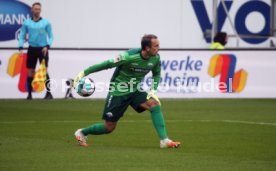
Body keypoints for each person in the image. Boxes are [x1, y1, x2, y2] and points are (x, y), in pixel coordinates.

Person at [73, 34, 180, 148]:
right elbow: (106, 64)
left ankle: (164, 140)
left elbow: (157, 74)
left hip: (135, 89)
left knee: (154, 104)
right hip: (119, 90)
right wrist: (84, 73)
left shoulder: (156, 58)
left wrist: (152, 90)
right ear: (147, 48)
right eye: (156, 46)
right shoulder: (128, 56)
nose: (159, 48)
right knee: (109, 127)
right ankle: (82, 132)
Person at [18, 2, 54, 100]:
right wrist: (20, 47)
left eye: (38, 9)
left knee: (44, 70)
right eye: (35, 9)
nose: (37, 11)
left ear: (40, 10)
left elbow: (51, 37)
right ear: (32, 10)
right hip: (32, 49)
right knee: (30, 71)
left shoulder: (46, 23)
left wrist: (47, 46)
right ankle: (29, 94)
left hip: (43, 49)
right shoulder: (27, 23)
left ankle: (49, 94)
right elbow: (21, 36)